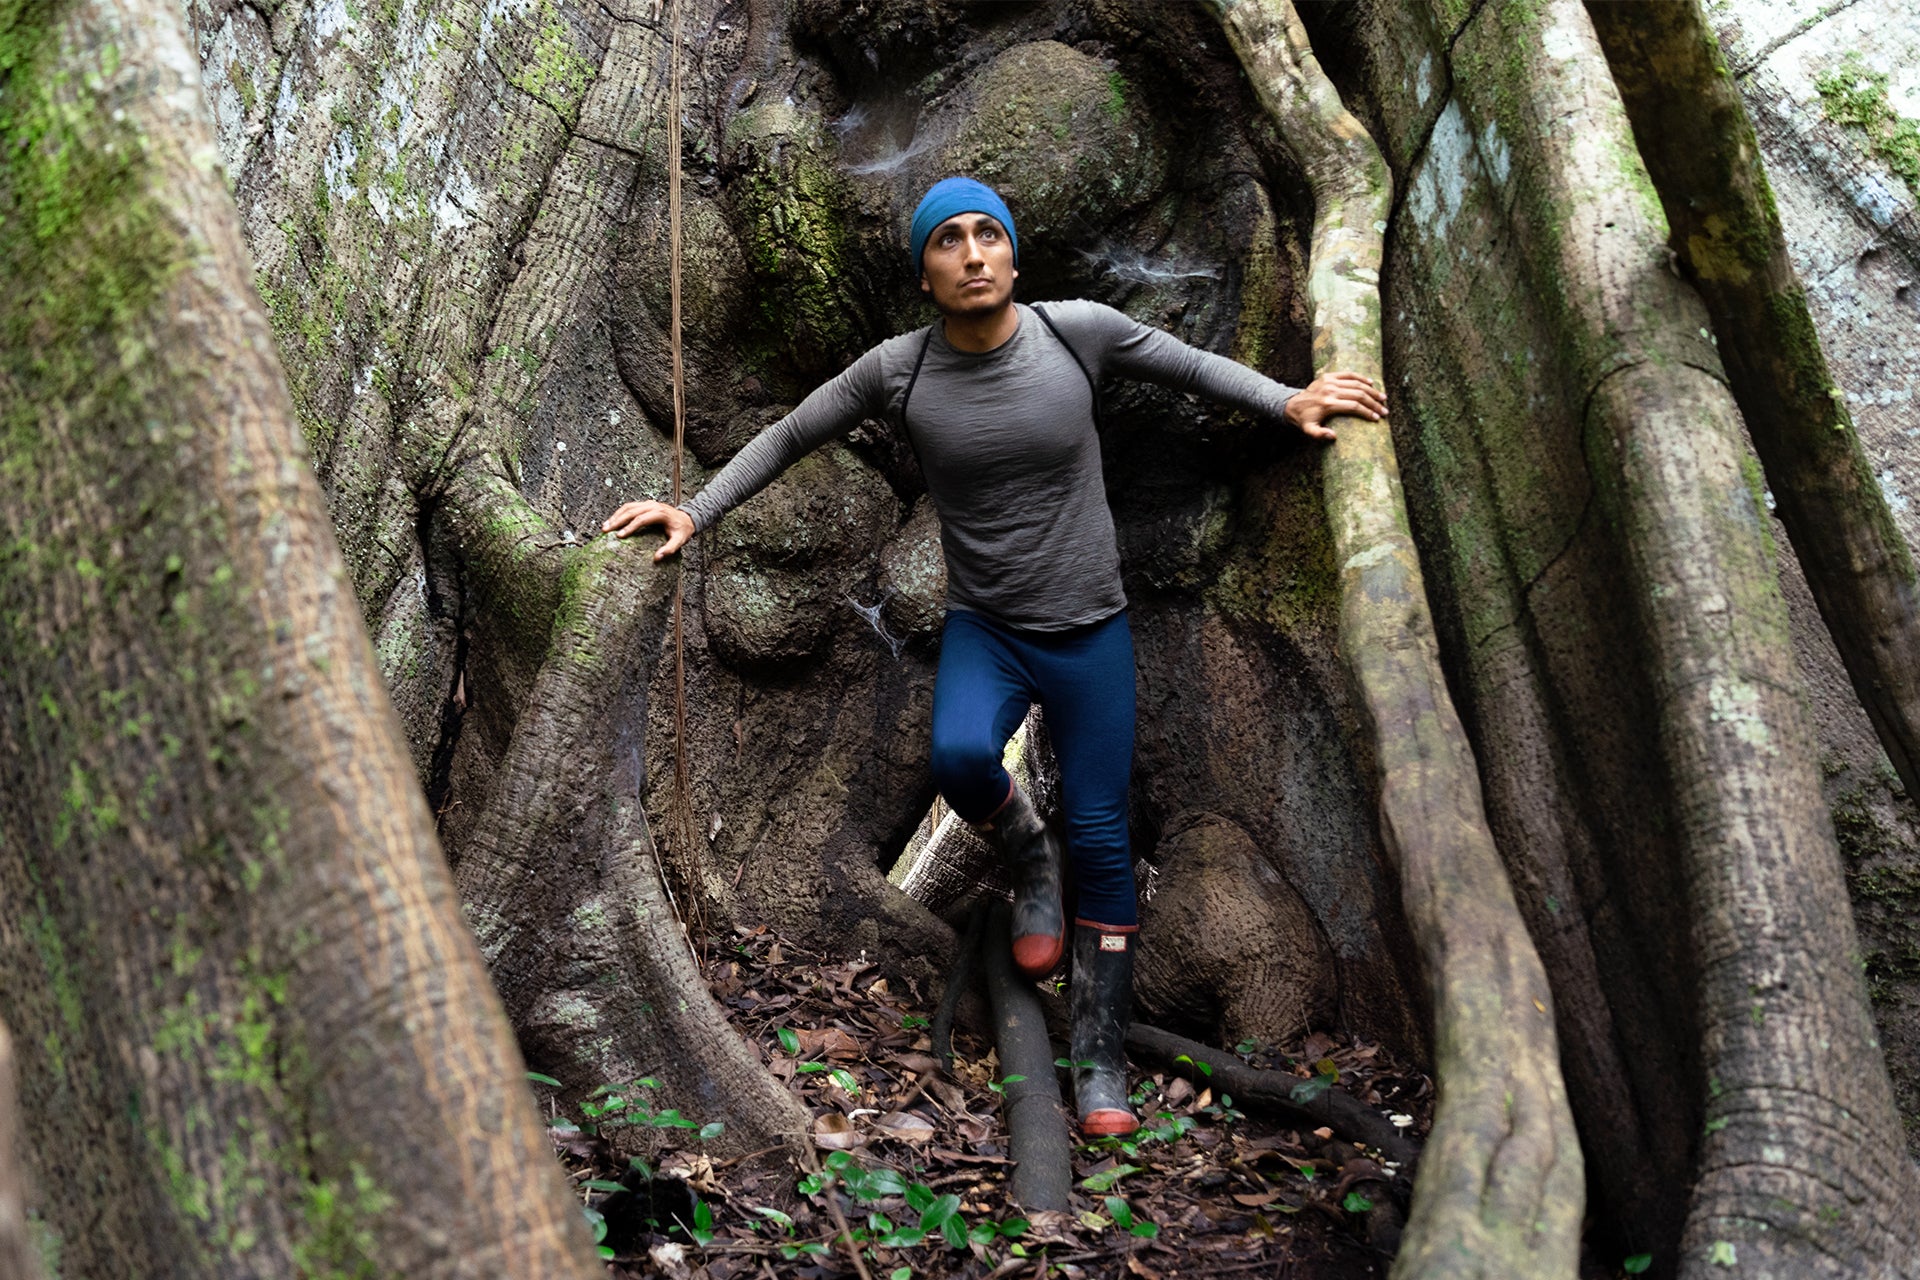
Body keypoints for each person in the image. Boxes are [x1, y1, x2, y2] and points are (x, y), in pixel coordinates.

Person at [604, 176, 1387, 1136]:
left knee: (1103, 837)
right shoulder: (900, 370)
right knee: (961, 760)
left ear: (1014, 256)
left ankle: (1098, 1061)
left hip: (1092, 631)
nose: (972, 254)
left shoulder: (1077, 333)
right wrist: (697, 507)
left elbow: (1191, 367)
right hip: (989, 628)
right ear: (926, 272)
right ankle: (1027, 855)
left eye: (988, 236)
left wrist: (1289, 398)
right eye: (949, 241)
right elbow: (790, 433)